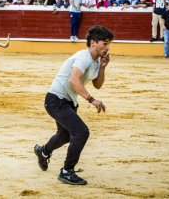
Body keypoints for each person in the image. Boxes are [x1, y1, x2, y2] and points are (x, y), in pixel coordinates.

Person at [34, 25, 114, 186]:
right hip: (56, 100)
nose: (108, 47)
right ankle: (67, 171)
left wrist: (103, 68)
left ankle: (43, 151)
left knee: (66, 136)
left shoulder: (96, 61)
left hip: (69, 102)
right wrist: (91, 100)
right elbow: (74, 79)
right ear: (93, 43)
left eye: (109, 44)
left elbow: (97, 84)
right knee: (81, 132)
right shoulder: (83, 57)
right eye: (104, 43)